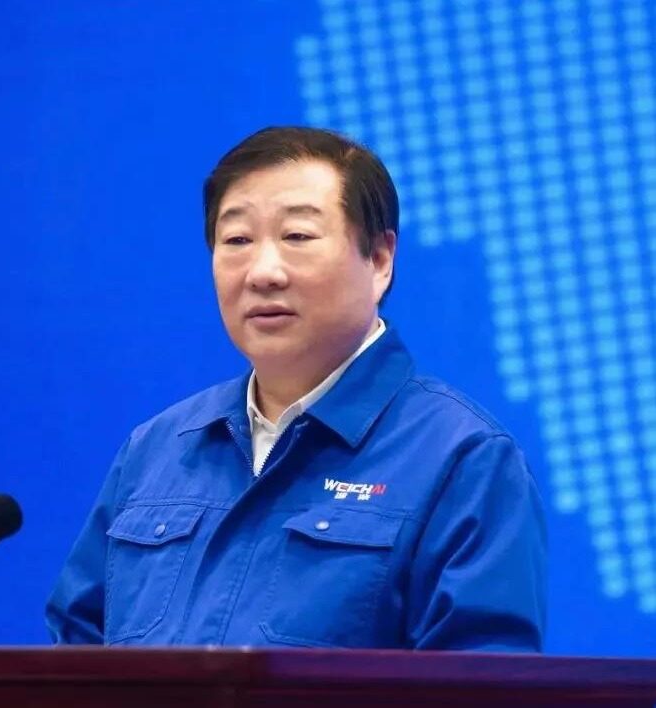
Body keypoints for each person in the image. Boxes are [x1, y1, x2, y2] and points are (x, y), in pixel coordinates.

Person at [45, 126, 546, 651]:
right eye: (237, 240)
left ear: (379, 259)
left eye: (298, 237)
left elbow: (481, 679)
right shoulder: (157, 450)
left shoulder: (462, 459)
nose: (263, 272)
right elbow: (74, 662)